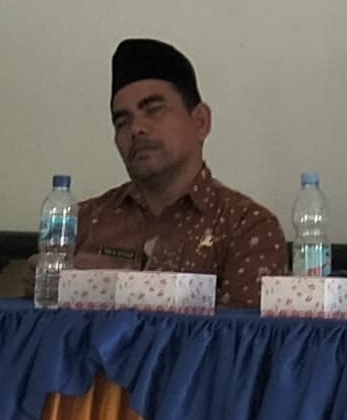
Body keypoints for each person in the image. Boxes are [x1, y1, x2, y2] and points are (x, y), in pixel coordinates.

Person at [66, 38, 287, 310]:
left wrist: (113, 287)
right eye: (122, 121)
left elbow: (238, 334)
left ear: (200, 122)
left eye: (153, 110)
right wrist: (47, 287)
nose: (136, 128)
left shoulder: (246, 227)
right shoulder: (83, 222)